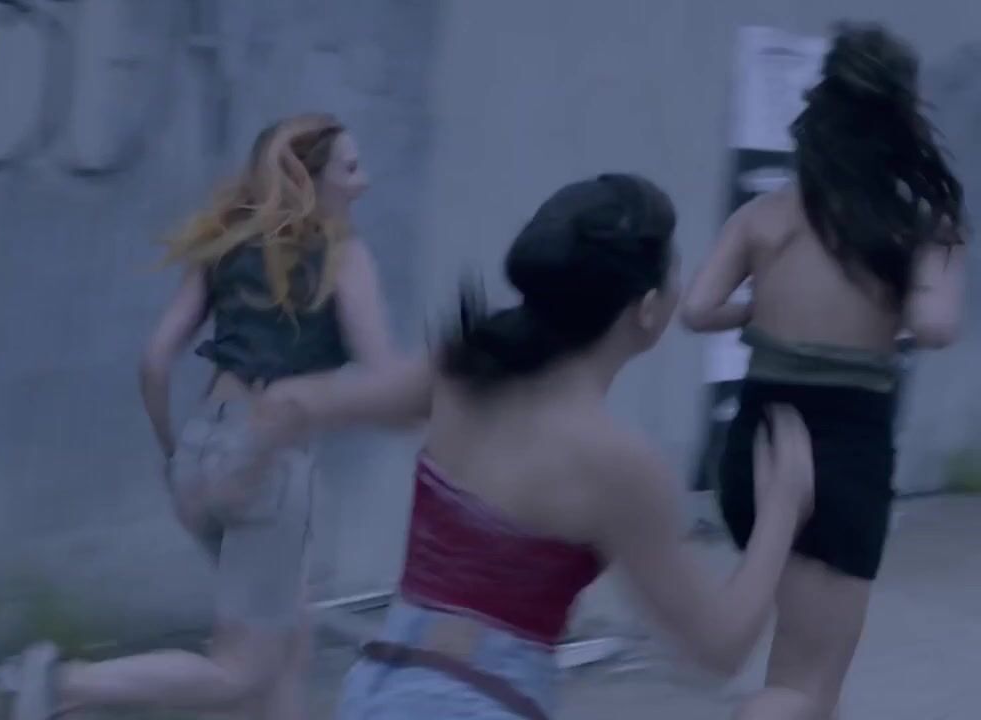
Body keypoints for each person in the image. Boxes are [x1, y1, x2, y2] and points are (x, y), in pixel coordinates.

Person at [259, 173, 816, 718]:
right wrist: (781, 511)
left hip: (377, 690)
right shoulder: (615, 465)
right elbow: (718, 647)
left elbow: (306, 404)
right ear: (647, 309)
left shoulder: (462, 366)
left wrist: (246, 452)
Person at [4, 112, 398, 720]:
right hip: (268, 464)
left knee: (287, 633)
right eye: (350, 169)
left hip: (200, 448)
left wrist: (173, 459)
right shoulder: (344, 254)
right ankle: (65, 684)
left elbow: (154, 361)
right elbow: (383, 373)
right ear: (310, 179)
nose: (364, 182)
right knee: (241, 671)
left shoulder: (226, 242)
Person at [682, 23, 967, 719]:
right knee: (803, 687)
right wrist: (927, 268)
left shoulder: (765, 215)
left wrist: (767, 309)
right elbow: (934, 327)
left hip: (755, 442)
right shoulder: (912, 226)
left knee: (808, 681)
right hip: (841, 451)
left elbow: (697, 309)